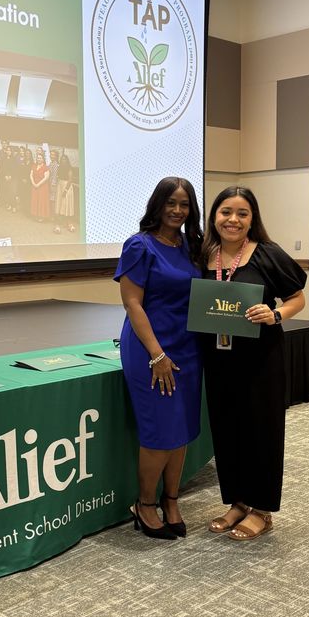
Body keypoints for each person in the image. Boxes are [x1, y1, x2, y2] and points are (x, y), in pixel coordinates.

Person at [202, 186, 306, 541]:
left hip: (261, 359)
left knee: (261, 431)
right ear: (214, 216)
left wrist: (275, 313)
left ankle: (261, 509)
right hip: (218, 360)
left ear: (252, 219)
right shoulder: (203, 254)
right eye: (225, 212)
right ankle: (237, 502)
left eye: (242, 213)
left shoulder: (268, 254)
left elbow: (297, 298)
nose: (233, 220)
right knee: (227, 430)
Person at [114, 177, 203, 540]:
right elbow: (132, 302)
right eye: (171, 203)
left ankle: (171, 499)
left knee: (180, 430)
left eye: (184, 204)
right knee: (159, 433)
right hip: (151, 349)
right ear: (158, 204)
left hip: (188, 348)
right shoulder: (139, 246)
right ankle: (145, 504)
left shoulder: (191, 245)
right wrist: (157, 354)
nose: (177, 210)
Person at [30, 149, 50, 221]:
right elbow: (31, 175)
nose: (39, 159)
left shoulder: (45, 167)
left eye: (40, 158)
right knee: (35, 200)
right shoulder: (34, 166)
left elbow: (46, 177)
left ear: (43, 159)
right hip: (34, 185)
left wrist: (38, 184)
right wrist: (33, 183)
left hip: (42, 186)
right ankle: (36, 214)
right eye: (38, 158)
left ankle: (41, 216)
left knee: (41, 201)